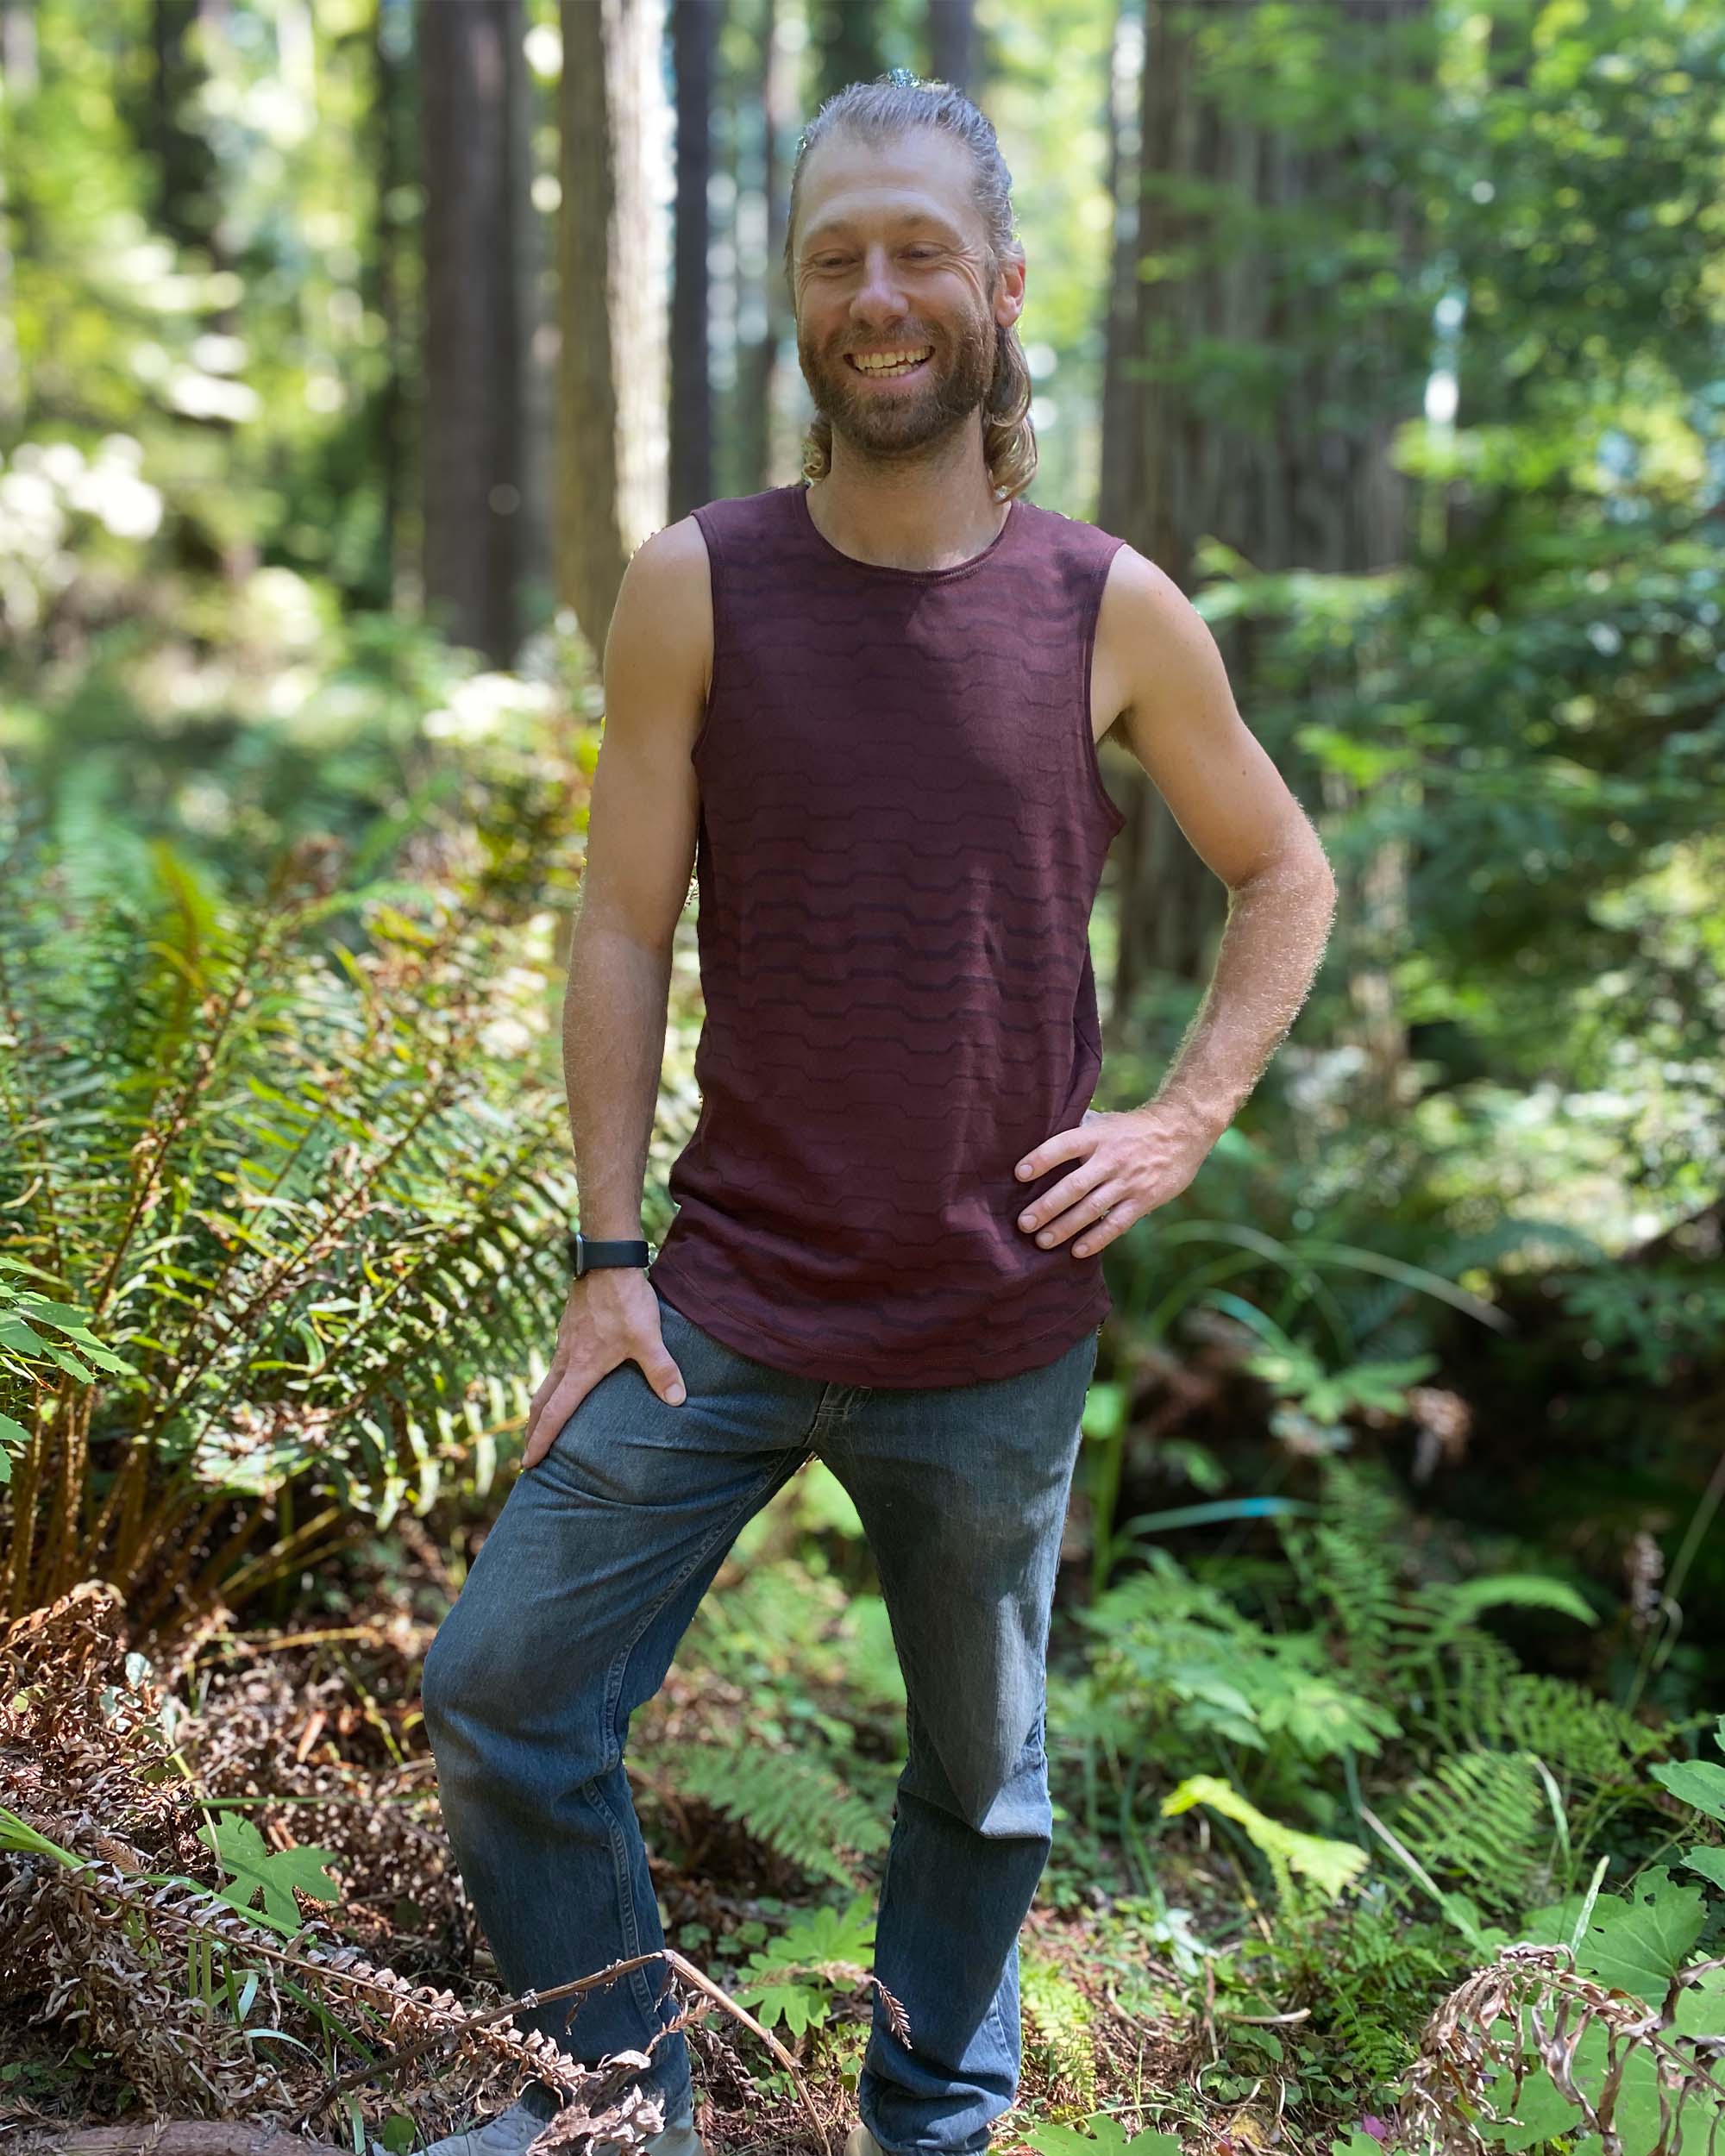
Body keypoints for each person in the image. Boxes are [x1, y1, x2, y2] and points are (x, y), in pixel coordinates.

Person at [414, 70, 1335, 2156]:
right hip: (723, 1299)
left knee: (982, 1779)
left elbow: (1283, 870)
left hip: (993, 1332)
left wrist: (1179, 1123)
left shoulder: (1106, 604)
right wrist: (599, 1252)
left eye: (921, 249)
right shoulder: (700, 584)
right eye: (838, 255)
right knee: (505, 1687)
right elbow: (624, 930)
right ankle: (611, 2099)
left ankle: (934, 2117)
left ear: (1000, 287)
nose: (880, 291)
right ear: (797, 308)